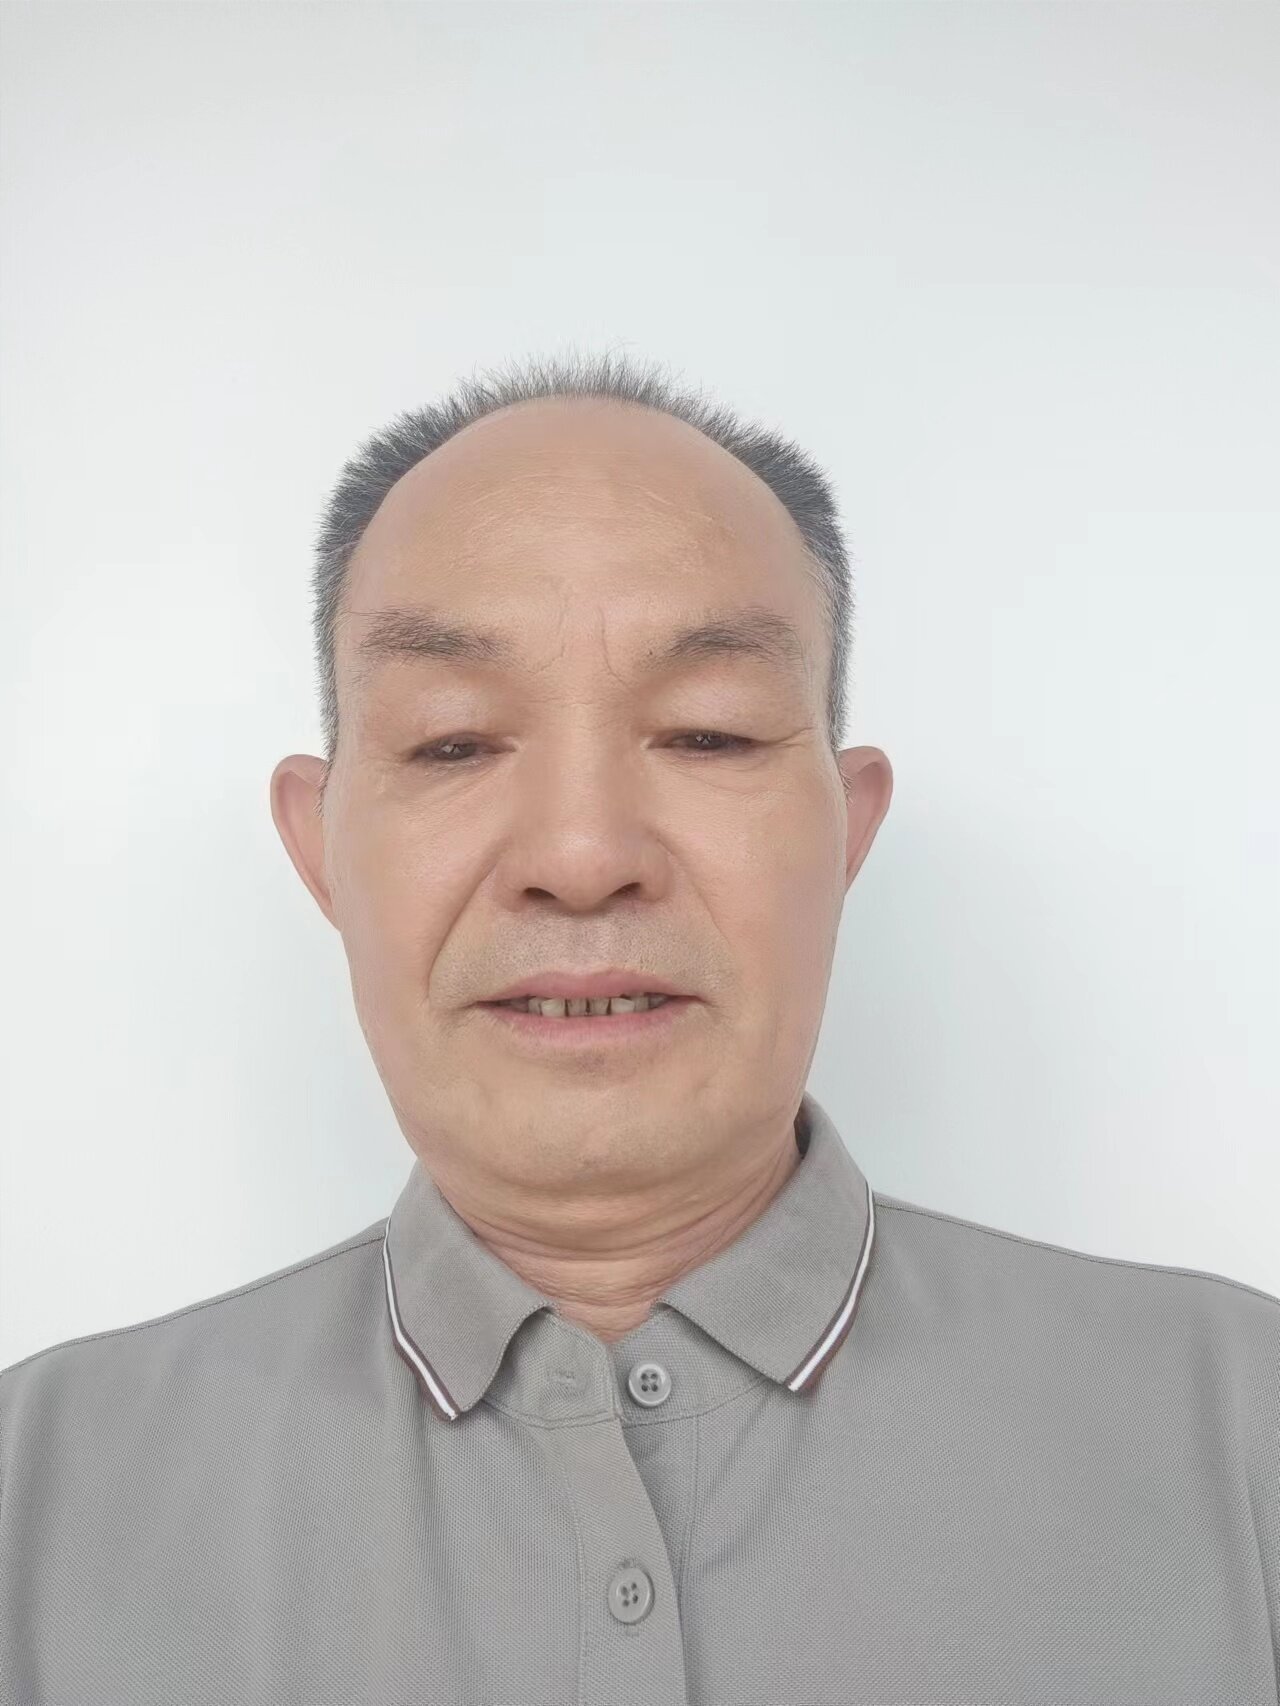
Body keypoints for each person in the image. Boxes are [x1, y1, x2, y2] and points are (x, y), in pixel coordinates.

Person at [1, 351, 1276, 1705]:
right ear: (320, 851)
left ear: (847, 833)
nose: (582, 854)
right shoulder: (39, 1499)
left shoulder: (1240, 1433)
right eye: (452, 743)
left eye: (708, 735)